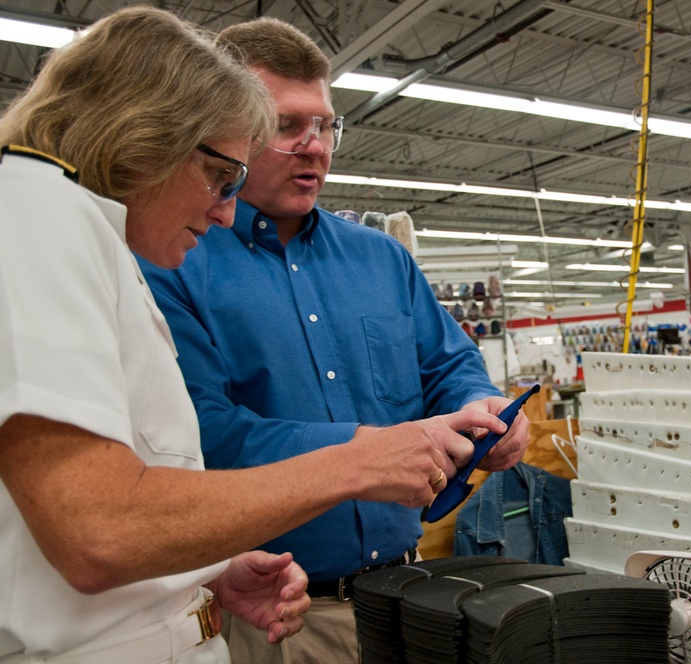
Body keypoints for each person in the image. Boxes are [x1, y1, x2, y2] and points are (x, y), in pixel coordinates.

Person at [0, 7, 508, 663]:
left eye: (324, 125)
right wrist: (357, 460)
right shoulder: (36, 216)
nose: (223, 211)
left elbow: (102, 495)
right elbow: (98, 528)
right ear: (145, 138)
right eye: (219, 177)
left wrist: (208, 569)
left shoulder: (83, 230)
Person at [137, 16, 531, 664]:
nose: (313, 145)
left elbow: (448, 366)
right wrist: (366, 452)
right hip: (282, 617)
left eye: (324, 125)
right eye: (288, 125)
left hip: (414, 597)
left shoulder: (383, 260)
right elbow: (204, 434)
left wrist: (485, 409)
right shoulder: (178, 258)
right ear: (232, 126)